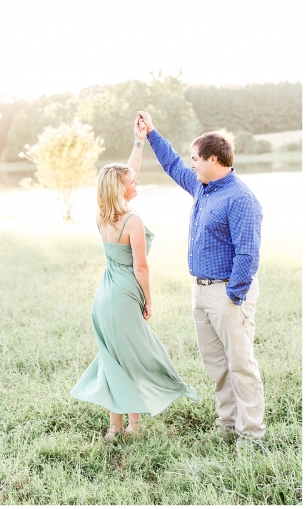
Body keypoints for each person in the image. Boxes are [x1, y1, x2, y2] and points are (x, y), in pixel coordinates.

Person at [137, 110, 265, 442]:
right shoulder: (202, 187)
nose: (191, 164)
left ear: (212, 159)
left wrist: (233, 296)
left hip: (227, 294)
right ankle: (226, 425)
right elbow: (172, 165)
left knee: (241, 366)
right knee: (217, 366)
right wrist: (152, 132)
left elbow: (248, 253)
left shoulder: (240, 199)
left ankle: (251, 434)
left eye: (196, 158)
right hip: (201, 291)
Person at [70, 117, 198, 441]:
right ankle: (135, 425)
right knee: (134, 359)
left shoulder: (102, 215)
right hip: (126, 293)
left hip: (104, 295)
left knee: (113, 358)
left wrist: (139, 141)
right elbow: (141, 267)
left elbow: (125, 174)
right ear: (122, 189)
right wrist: (148, 301)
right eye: (133, 183)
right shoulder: (133, 220)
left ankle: (116, 427)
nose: (137, 183)